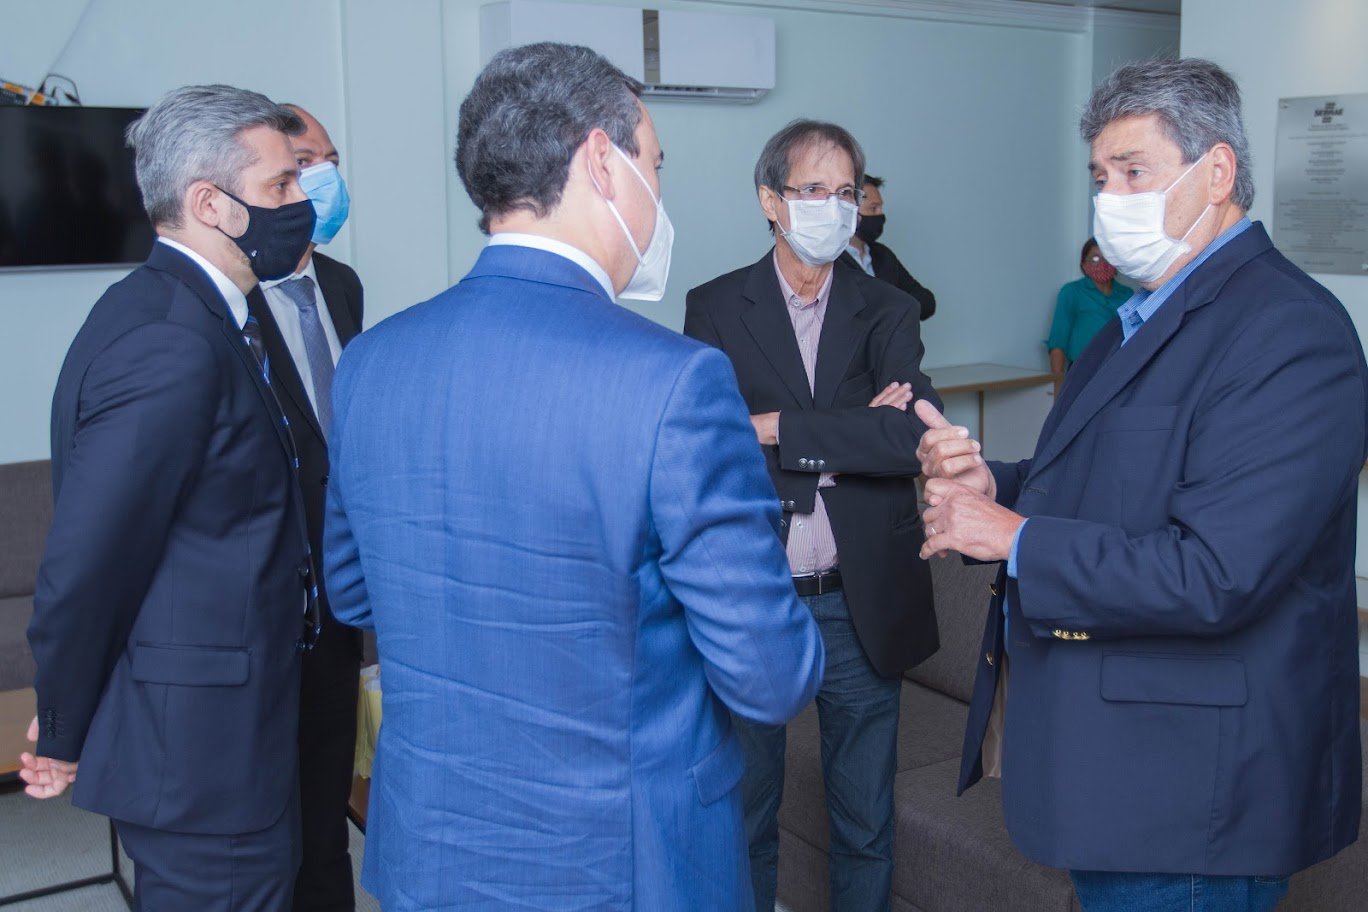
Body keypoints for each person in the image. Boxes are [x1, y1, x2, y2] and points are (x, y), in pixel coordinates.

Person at [321, 42, 824, 911]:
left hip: (431, 848)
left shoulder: (371, 361)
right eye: (654, 165)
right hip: (617, 864)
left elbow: (354, 591)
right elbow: (770, 675)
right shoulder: (675, 383)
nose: (657, 192)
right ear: (601, 160)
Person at [915, 58, 1365, 912]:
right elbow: (1100, 479)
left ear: (1217, 172)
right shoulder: (1137, 318)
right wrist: (994, 486)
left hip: (1194, 795)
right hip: (1120, 772)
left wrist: (1013, 536)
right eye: (1100, 176)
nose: (1110, 199)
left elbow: (1217, 573)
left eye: (1133, 172)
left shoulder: (1289, 331)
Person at [21, 85, 319, 910]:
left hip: (231, 729)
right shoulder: (167, 339)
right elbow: (90, 560)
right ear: (210, 204)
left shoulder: (195, 311)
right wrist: (63, 717)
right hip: (201, 754)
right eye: (281, 183)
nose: (300, 200)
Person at [685, 121, 941, 912]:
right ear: (771, 200)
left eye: (846, 192)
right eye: (813, 190)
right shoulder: (716, 307)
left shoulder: (888, 308)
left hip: (859, 598)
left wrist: (776, 428)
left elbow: (908, 436)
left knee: (864, 822)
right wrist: (851, 427)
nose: (834, 207)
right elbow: (708, 447)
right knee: (747, 814)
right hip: (755, 596)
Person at [247, 103, 364, 912]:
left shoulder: (343, 286)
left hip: (341, 586)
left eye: (329, 161)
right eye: (301, 165)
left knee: (326, 799)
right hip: (263, 595)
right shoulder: (228, 298)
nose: (320, 178)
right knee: (262, 811)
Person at [837, 174, 936, 319]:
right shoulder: (831, 260)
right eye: (873, 208)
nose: (881, 215)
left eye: (881, 207)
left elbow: (926, 302)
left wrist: (885, 306)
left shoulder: (882, 254)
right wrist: (898, 303)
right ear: (849, 212)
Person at [1045, 238, 1131, 378]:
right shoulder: (1072, 292)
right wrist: (1057, 381)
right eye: (1095, 259)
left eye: (1108, 258)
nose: (1102, 264)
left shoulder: (1128, 294)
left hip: (1118, 370)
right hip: (1081, 371)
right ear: (1084, 264)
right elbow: (1058, 340)